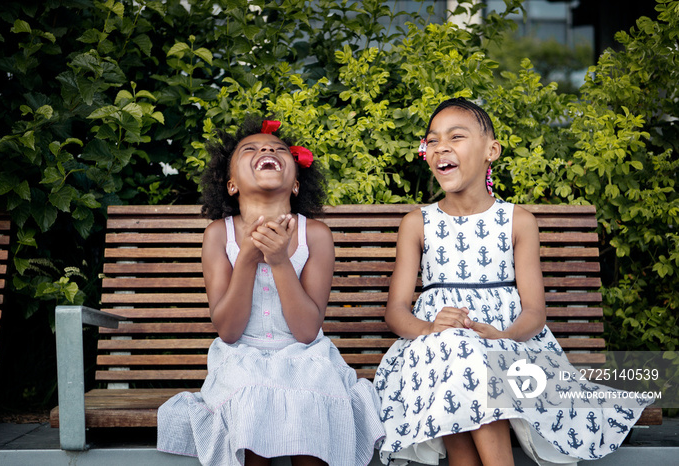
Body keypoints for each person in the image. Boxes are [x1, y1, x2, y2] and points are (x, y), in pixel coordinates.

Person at [373, 98, 650, 466]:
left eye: (456, 136)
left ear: (492, 150)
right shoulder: (417, 223)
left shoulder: (517, 221)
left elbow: (535, 311)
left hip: (509, 346)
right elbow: (395, 312)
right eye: (432, 140)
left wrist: (503, 340)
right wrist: (429, 329)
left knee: (474, 359)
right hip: (430, 351)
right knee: (458, 350)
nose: (441, 147)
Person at [157, 116, 384, 466]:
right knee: (252, 394)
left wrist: (279, 261)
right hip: (241, 357)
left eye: (279, 149)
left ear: (295, 185)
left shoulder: (316, 235)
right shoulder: (220, 235)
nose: (267, 149)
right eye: (251, 149)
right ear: (231, 184)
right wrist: (247, 257)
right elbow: (229, 331)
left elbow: (307, 331)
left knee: (311, 396)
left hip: (306, 357)